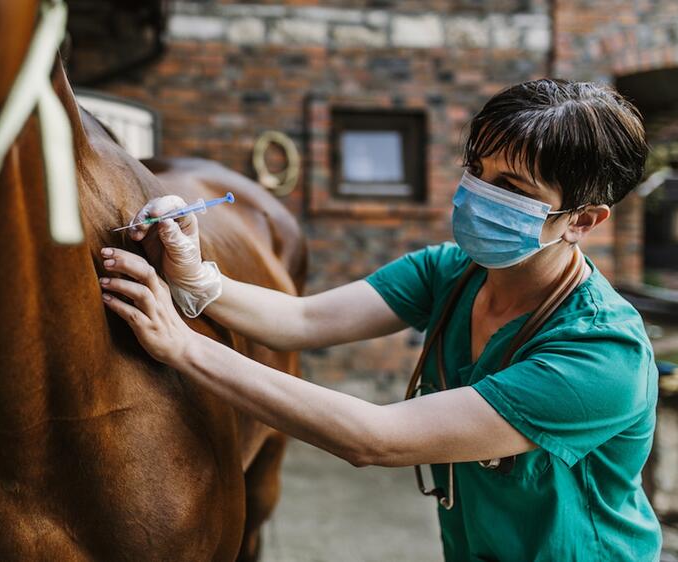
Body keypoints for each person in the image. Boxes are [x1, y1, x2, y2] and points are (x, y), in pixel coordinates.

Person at [98, 79, 662, 560]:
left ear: (583, 220)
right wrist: (197, 277)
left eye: (511, 188)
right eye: (476, 170)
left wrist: (184, 347)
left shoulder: (601, 354)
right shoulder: (454, 273)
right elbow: (304, 319)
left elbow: (377, 438)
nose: (476, 195)